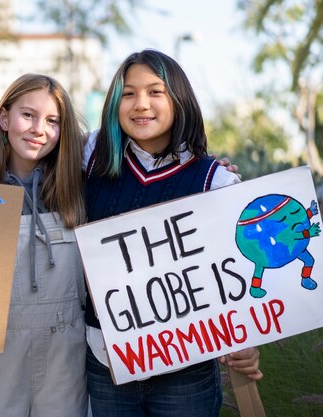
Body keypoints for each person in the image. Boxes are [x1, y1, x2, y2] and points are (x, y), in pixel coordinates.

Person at [83, 49, 263, 417]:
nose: (140, 104)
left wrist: (248, 339)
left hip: (186, 371)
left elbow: (242, 270)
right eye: (128, 93)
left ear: (179, 99)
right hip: (106, 364)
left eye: (155, 92)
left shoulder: (216, 180)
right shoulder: (89, 156)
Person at [0, 74, 88, 417]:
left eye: (52, 121)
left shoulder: (81, 182)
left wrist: (215, 173)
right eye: (27, 115)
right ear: (4, 118)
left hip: (65, 351)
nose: (38, 129)